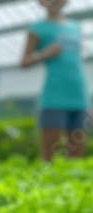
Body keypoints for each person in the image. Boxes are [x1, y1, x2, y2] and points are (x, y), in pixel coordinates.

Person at [21, 0, 91, 162]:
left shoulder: (75, 27)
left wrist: (87, 102)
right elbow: (24, 62)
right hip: (54, 97)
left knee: (76, 159)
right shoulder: (37, 29)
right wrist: (45, 54)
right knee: (49, 159)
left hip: (79, 97)